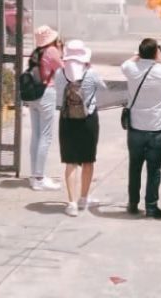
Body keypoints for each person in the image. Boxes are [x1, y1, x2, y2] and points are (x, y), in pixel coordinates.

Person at [121, 38, 161, 218]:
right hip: (157, 128)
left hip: (136, 127)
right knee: (154, 170)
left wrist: (140, 55)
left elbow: (125, 64)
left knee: (135, 167)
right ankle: (152, 206)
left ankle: (132, 203)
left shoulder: (131, 68)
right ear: (156, 52)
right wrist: (159, 58)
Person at [55, 39, 108, 217]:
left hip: (67, 119)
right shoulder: (90, 74)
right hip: (88, 120)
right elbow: (104, 88)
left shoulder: (59, 74)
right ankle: (83, 198)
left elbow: (58, 97)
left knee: (70, 162)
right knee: (87, 160)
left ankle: (71, 203)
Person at [26, 26, 64, 191]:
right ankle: (40, 178)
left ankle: (35, 174)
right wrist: (60, 51)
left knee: (36, 135)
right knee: (46, 136)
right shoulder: (51, 51)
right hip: (46, 93)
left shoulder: (36, 52)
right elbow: (61, 68)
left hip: (33, 95)